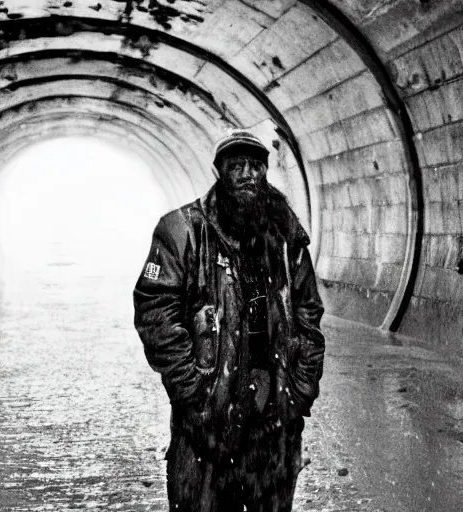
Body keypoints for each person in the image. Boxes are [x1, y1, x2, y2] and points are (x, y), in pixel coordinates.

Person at [133, 130, 325, 512]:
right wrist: (194, 393)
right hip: (207, 425)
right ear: (219, 171)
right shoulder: (182, 230)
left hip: (274, 424)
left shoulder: (286, 234)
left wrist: (301, 389)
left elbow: (308, 313)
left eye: (256, 165)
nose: (248, 174)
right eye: (236, 166)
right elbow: (155, 312)